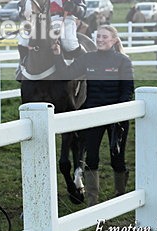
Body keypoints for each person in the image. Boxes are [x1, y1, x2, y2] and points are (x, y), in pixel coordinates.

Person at [55, 25, 135, 206]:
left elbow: (127, 90)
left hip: (117, 116)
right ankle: (93, 200)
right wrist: (58, 54)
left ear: (114, 40)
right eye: (98, 36)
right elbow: (66, 73)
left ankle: (120, 195)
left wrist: (118, 112)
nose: (100, 40)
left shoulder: (123, 61)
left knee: (117, 159)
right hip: (93, 115)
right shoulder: (87, 58)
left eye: (104, 37)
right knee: (91, 158)